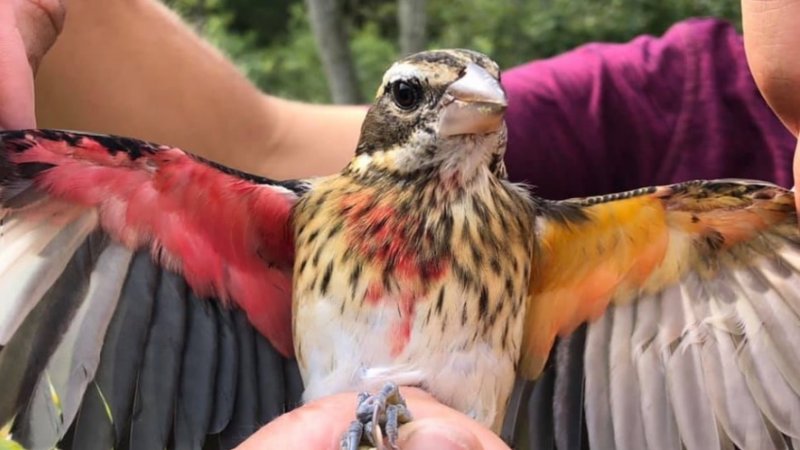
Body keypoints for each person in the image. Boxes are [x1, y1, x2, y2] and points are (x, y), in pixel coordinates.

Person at [1, 1, 799, 449]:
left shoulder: (590, 238)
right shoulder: (292, 219)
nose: (468, 108)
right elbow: (258, 143)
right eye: (420, 98)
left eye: (481, 99)